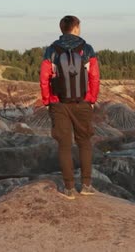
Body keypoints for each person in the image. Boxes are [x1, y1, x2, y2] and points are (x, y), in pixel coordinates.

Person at [39, 15, 100, 200]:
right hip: (82, 103)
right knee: (85, 143)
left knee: (64, 146)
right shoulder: (87, 49)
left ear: (62, 29)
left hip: (59, 104)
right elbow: (94, 78)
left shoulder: (51, 50)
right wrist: (91, 99)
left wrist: (48, 100)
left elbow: (44, 78)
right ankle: (87, 185)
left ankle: (69, 189)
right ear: (76, 28)